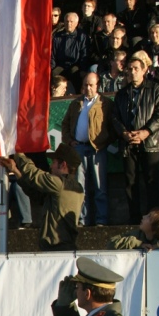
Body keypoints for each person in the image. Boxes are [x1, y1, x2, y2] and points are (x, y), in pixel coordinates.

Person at [112, 52, 159, 223]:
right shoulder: (121, 94)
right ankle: (134, 218)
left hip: (150, 142)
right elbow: (114, 117)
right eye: (130, 69)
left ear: (144, 70)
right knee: (131, 182)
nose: (133, 72)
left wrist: (145, 132)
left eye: (136, 68)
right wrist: (124, 133)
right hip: (128, 143)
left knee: (151, 181)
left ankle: (154, 219)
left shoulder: (155, 89)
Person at [0, 144, 83, 251]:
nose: (51, 166)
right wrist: (15, 171)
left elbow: (33, 174)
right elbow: (37, 196)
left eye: (54, 162)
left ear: (63, 165)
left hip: (57, 247)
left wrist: (17, 151)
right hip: (63, 246)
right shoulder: (76, 187)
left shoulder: (59, 184)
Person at [61, 73, 113, 226]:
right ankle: (82, 219)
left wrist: (104, 141)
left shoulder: (105, 103)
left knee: (100, 187)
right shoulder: (76, 103)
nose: (88, 88)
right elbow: (65, 124)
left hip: (98, 149)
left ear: (98, 86)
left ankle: (101, 220)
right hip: (79, 147)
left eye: (91, 85)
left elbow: (113, 125)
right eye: (85, 85)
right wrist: (69, 141)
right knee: (80, 187)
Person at [52, 13, 90, 89]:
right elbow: (53, 54)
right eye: (67, 21)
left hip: (75, 64)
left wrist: (83, 69)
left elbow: (84, 54)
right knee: (54, 74)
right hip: (61, 64)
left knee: (75, 73)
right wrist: (51, 68)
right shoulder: (57, 36)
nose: (69, 24)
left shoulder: (82, 36)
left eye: (71, 22)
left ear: (76, 23)